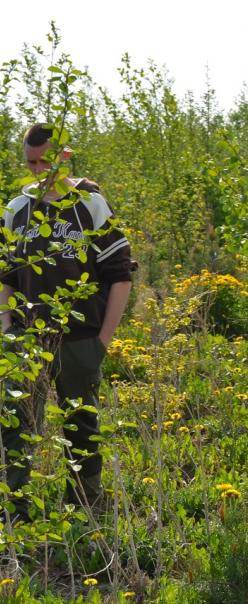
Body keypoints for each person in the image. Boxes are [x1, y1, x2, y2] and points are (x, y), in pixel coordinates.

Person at [0, 124, 133, 522]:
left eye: (45, 161)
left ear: (64, 157)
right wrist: (7, 327)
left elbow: (120, 274)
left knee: (81, 426)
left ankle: (86, 513)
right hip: (25, 338)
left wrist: (101, 342)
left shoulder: (89, 204)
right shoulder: (16, 209)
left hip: (79, 339)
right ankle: (17, 514)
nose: (38, 169)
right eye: (31, 163)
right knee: (16, 425)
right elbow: (6, 275)